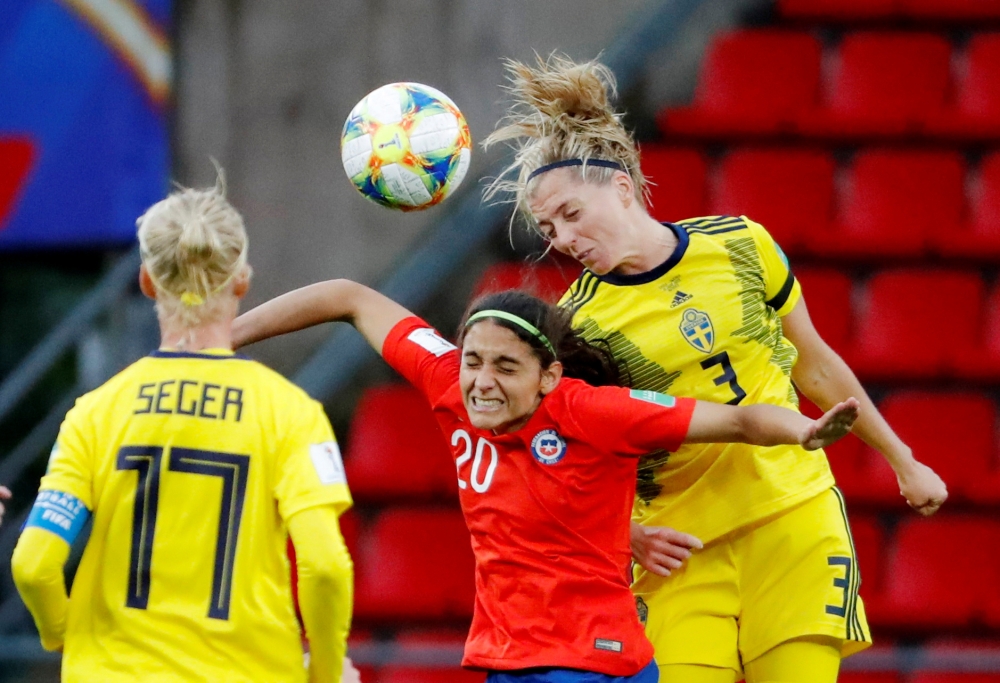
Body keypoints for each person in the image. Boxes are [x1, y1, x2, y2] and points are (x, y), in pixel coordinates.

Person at [482, 54, 949, 683]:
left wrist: (903, 459)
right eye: (547, 228)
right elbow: (561, 459)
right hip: (678, 551)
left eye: (571, 214)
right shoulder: (576, 327)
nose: (562, 239)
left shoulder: (739, 244)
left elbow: (813, 363)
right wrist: (630, 536)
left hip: (793, 518)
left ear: (622, 187)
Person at [232, 279, 859, 683]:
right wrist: (224, 337)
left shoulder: (595, 412)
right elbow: (347, 296)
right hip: (521, 659)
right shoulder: (448, 380)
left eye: (507, 367)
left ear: (549, 377)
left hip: (584, 663)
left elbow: (741, 419)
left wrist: (804, 431)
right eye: (473, 361)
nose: (482, 381)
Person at [11, 174, 358, 683]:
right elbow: (326, 566)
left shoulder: (95, 412)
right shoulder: (290, 411)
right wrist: (326, 673)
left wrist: (66, 635)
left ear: (149, 282)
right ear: (242, 281)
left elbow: (34, 564)